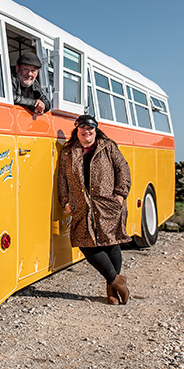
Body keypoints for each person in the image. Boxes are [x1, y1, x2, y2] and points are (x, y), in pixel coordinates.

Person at [57, 114, 132, 304]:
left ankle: (111, 291)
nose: (86, 131)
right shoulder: (68, 152)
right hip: (81, 206)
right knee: (85, 244)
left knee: (111, 243)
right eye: (82, 128)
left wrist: (121, 194)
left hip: (108, 204)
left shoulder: (108, 147)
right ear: (77, 130)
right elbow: (61, 179)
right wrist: (65, 201)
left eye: (90, 128)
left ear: (95, 130)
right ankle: (117, 281)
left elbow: (123, 168)